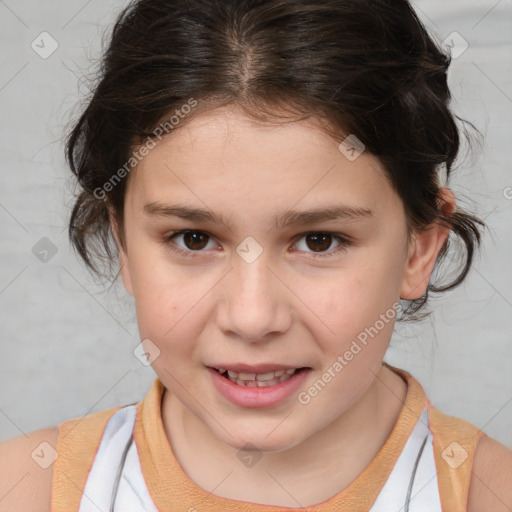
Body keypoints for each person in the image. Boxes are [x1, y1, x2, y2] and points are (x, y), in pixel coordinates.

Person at [1, 0, 511, 510]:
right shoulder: (22, 489)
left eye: (319, 240)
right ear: (123, 244)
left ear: (418, 250)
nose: (251, 318)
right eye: (193, 239)